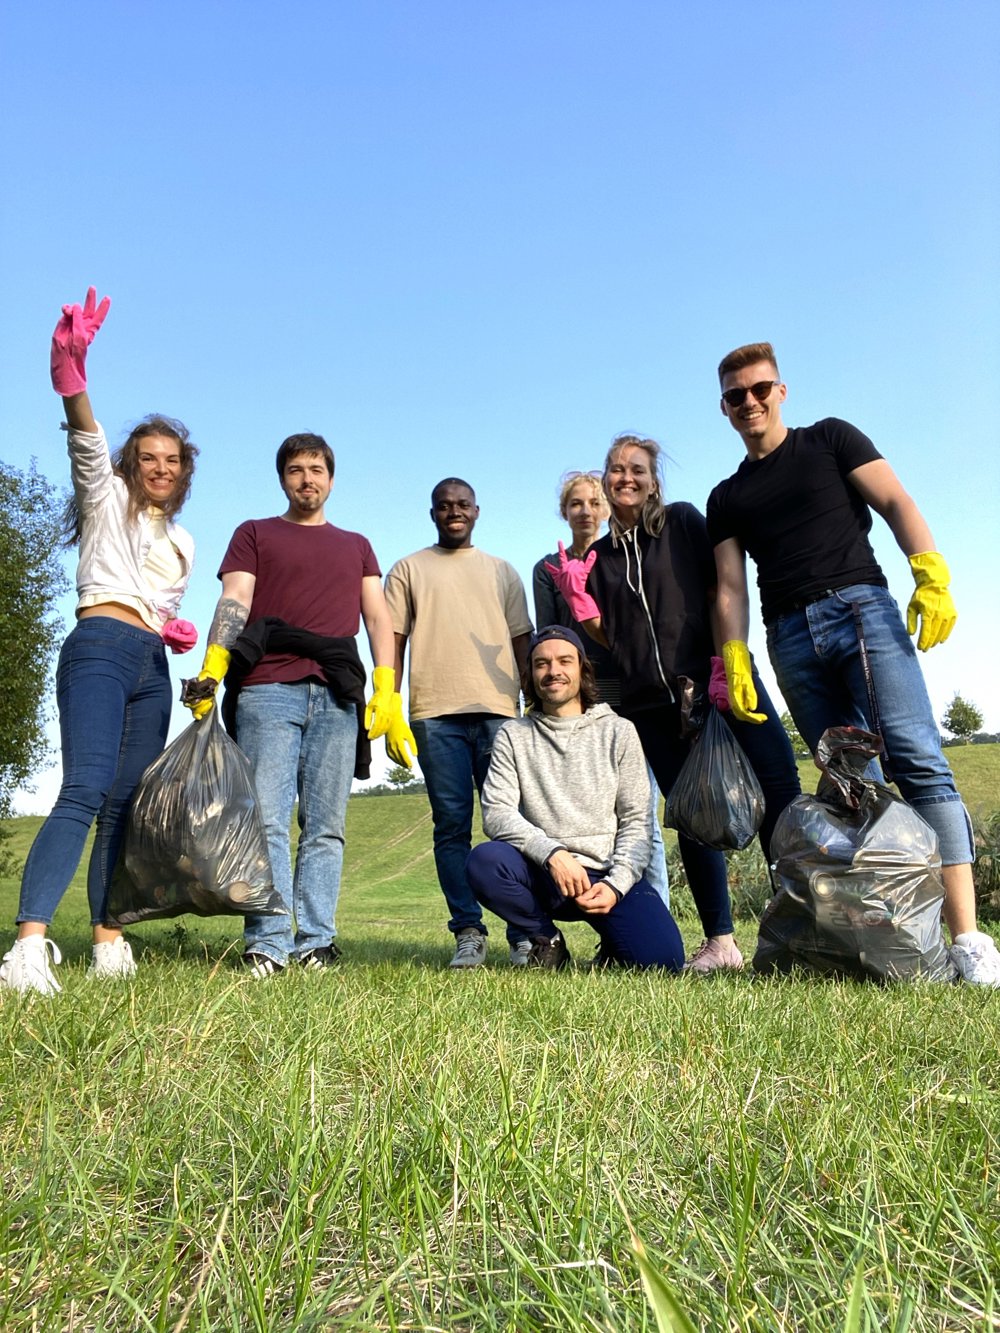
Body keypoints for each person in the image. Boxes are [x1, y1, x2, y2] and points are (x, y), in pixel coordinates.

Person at [708, 340, 1000, 986]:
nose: (750, 402)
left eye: (761, 389)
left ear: (781, 391)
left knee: (916, 758)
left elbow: (896, 500)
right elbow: (729, 586)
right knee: (848, 782)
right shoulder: (726, 497)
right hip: (789, 638)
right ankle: (886, 936)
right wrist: (733, 654)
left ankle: (969, 940)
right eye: (736, 395)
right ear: (723, 408)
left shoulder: (830, 441)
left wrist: (930, 571)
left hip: (859, 611)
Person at [1, 288, 199, 995]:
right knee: (83, 788)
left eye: (172, 460)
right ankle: (28, 947)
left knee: (125, 802)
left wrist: (171, 628)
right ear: (132, 462)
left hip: (149, 665)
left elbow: (163, 602)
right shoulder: (106, 497)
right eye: (149, 456)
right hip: (98, 648)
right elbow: (84, 436)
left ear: (184, 471)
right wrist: (70, 371)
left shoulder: (183, 543)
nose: (160, 467)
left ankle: (108, 939)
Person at [547, 434, 801, 972]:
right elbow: (613, 637)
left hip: (721, 682)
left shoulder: (683, 522)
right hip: (652, 705)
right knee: (692, 814)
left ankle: (799, 926)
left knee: (777, 788)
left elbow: (719, 591)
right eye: (615, 470)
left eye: (636, 469)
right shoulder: (601, 557)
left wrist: (723, 663)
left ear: (654, 478)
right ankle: (721, 942)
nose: (625, 478)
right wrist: (580, 603)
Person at [186, 432, 403, 976]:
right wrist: (214, 667)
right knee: (267, 821)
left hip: (336, 692)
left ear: (331, 478)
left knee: (326, 826)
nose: (307, 479)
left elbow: (378, 616)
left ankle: (317, 942)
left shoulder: (356, 545)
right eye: (296, 470)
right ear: (282, 478)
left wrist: (387, 688)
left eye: (317, 469)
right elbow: (234, 598)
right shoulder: (255, 533)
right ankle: (268, 942)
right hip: (266, 688)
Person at [466, 626, 685, 970]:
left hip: (605, 873)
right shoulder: (514, 734)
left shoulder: (619, 731)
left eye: (564, 661)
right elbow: (496, 813)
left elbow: (637, 822)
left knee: (664, 962)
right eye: (541, 664)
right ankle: (546, 940)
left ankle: (614, 945)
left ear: (582, 670)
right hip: (543, 873)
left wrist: (616, 884)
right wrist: (552, 853)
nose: (553, 671)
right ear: (531, 674)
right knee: (485, 861)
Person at [384, 478, 533, 967]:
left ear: (477, 510)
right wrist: (389, 698)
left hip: (499, 713)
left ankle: (524, 932)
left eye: (462, 505)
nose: (454, 512)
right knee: (451, 827)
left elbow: (521, 643)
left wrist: (533, 703)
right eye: (444, 506)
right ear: (432, 514)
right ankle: (468, 931)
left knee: (510, 825)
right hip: (434, 714)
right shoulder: (408, 569)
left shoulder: (503, 572)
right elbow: (394, 639)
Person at [532, 470, 671, 904]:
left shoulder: (623, 556)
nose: (586, 511)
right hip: (578, 696)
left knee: (639, 806)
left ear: (607, 508)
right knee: (591, 806)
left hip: (628, 686)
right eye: (576, 503)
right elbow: (547, 634)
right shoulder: (546, 568)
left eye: (594, 503)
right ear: (564, 511)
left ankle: (655, 906)